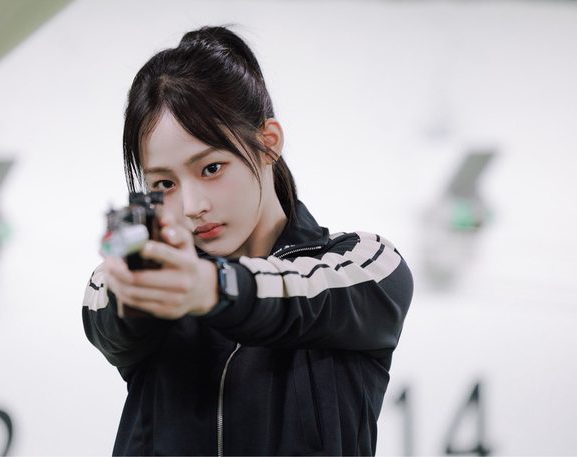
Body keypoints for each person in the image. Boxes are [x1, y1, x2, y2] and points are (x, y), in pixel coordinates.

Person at [82, 25, 413, 456]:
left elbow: (295, 294)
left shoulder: (366, 264)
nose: (192, 206)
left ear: (268, 143)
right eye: (165, 183)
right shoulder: (144, 279)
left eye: (211, 168)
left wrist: (211, 286)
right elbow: (107, 308)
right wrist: (140, 286)